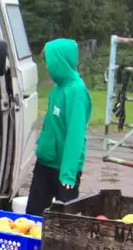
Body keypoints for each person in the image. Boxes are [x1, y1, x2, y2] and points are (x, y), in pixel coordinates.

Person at [26, 38, 91, 217]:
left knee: (63, 221)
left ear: (61, 61)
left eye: (50, 62)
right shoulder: (58, 89)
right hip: (45, 163)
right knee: (33, 215)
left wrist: (69, 173)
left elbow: (75, 135)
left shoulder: (76, 92)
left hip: (64, 170)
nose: (47, 67)